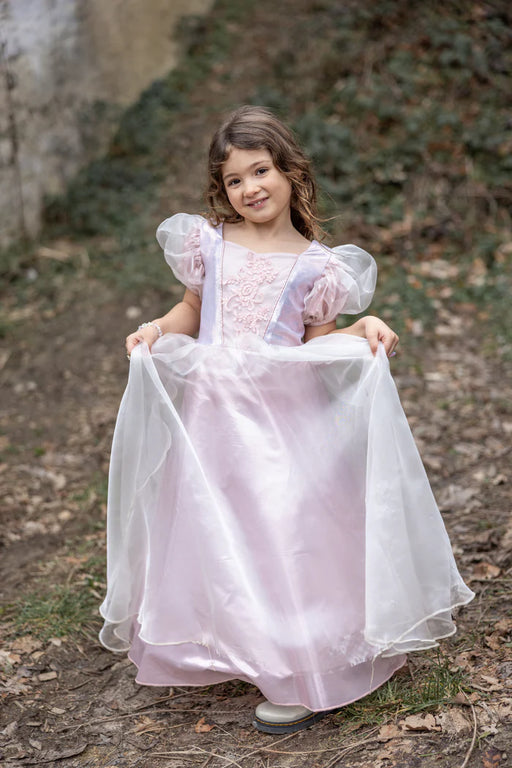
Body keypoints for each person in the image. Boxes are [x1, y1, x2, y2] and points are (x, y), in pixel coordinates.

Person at [99, 106, 474, 734]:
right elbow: (192, 308)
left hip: (278, 419)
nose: (249, 188)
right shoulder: (210, 244)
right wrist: (156, 330)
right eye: (234, 180)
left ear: (290, 171)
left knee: (282, 529)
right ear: (221, 190)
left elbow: (314, 346)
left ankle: (298, 665)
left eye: (260, 171)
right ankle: (238, 641)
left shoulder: (316, 265)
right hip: (212, 415)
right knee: (220, 527)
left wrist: (362, 328)